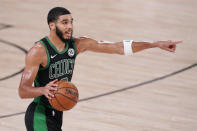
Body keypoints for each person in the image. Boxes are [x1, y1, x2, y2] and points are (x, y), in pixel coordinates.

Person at [18, 7, 182, 131]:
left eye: (71, 22)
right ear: (52, 25)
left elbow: (118, 47)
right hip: (39, 114)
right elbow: (23, 91)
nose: (70, 26)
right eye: (64, 22)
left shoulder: (77, 44)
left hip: (57, 112)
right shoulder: (38, 51)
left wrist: (154, 44)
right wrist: (43, 90)